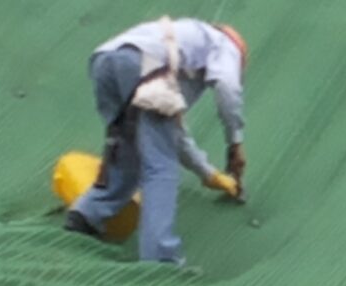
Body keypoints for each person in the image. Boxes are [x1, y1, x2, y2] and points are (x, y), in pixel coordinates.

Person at [66, 17, 249, 265]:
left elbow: (173, 133)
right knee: (161, 167)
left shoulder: (183, 53)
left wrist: (208, 174)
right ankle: (160, 256)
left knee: (127, 149)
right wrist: (235, 143)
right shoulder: (223, 42)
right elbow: (228, 88)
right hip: (141, 65)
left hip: (104, 62)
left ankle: (85, 215)